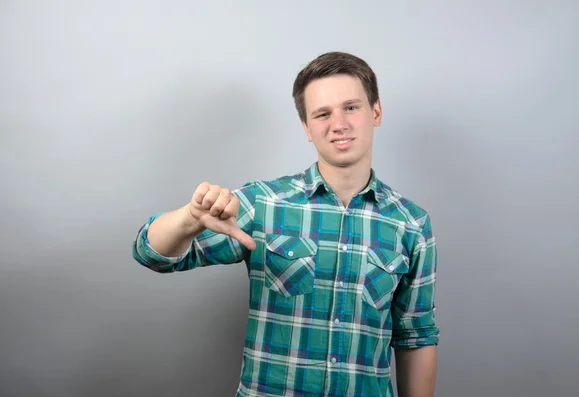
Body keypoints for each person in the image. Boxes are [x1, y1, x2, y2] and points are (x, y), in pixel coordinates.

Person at [132, 51, 439, 397]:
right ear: (307, 128)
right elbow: (150, 252)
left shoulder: (411, 224)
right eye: (322, 114)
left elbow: (416, 336)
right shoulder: (262, 205)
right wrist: (189, 219)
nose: (338, 123)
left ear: (376, 112)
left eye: (351, 107)